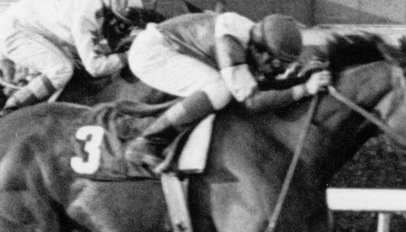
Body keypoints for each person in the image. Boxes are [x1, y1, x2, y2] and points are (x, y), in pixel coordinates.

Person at [124, 11, 330, 170]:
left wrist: (301, 78)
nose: (275, 71)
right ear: (260, 51)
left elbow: (266, 85)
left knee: (223, 88)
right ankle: (146, 142)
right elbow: (252, 102)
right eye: (275, 65)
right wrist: (304, 89)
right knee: (220, 89)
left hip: (172, 46)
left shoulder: (257, 41)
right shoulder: (231, 45)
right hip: (151, 53)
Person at [0, 0, 143, 116]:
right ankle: (9, 112)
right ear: (113, 15)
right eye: (121, 24)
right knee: (61, 70)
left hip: (25, 27)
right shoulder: (88, 16)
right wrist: (131, 54)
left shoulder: (99, 5)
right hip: (12, 29)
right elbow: (97, 67)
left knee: (75, 68)